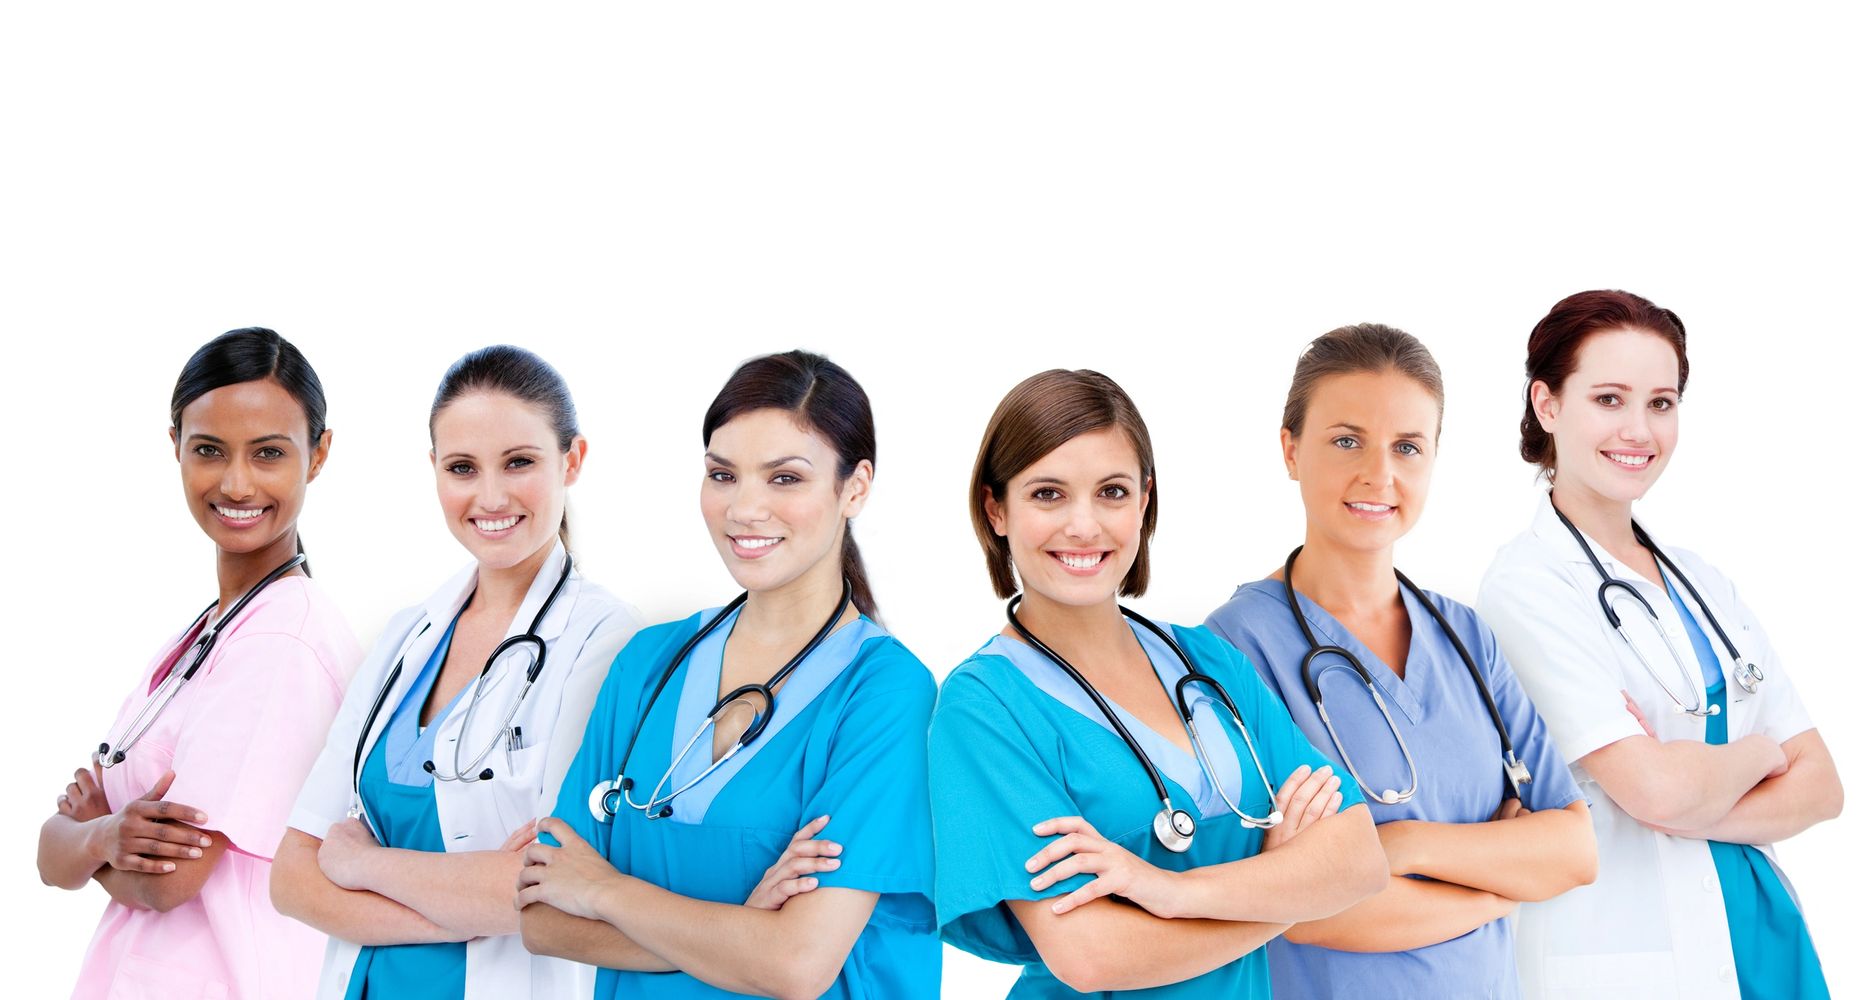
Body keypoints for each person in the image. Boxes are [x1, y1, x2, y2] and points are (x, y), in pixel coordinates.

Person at [929, 368, 1388, 998]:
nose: (1084, 526)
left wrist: (1172, 893)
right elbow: (1090, 955)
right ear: (995, 508)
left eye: (1112, 492)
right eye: (1047, 494)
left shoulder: (1207, 663)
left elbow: (1359, 858)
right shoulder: (984, 707)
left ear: (1145, 500)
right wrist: (1285, 892)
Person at [519, 350, 938, 1000]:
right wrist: (742, 929)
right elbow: (544, 918)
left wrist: (604, 891)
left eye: (784, 479)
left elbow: (796, 964)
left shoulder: (885, 693)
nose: (743, 508)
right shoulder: (647, 664)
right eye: (723, 475)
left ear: (854, 487)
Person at [1204, 324, 1595, 998]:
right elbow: (1291, 908)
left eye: (1406, 447)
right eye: (1346, 440)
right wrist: (1496, 893)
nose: (1377, 474)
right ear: (1290, 448)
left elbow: (1573, 851)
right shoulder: (1233, 650)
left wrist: (1406, 846)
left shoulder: (1464, 636)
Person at [1476, 290, 1840, 999]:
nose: (1638, 429)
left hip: (1758, 932)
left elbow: (1822, 787)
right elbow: (1654, 787)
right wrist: (1761, 754)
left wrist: (1682, 792)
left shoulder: (1701, 580)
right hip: (1629, 947)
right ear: (1546, 405)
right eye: (1608, 399)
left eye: (1661, 402)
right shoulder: (1527, 584)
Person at [272, 345, 641, 999]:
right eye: (462, 467)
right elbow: (292, 877)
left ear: (572, 460)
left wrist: (360, 863)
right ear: (435, 471)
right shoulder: (403, 638)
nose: (489, 495)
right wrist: (467, 897)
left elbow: (549, 885)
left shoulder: (603, 641)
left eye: (519, 462)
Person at [37, 328, 360, 999]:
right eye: (209, 450)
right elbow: (47, 855)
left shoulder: (282, 646)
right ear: (175, 447)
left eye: (268, 453)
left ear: (319, 453)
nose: (236, 482)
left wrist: (90, 838)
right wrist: (103, 837)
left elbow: (168, 882)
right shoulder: (211, 631)